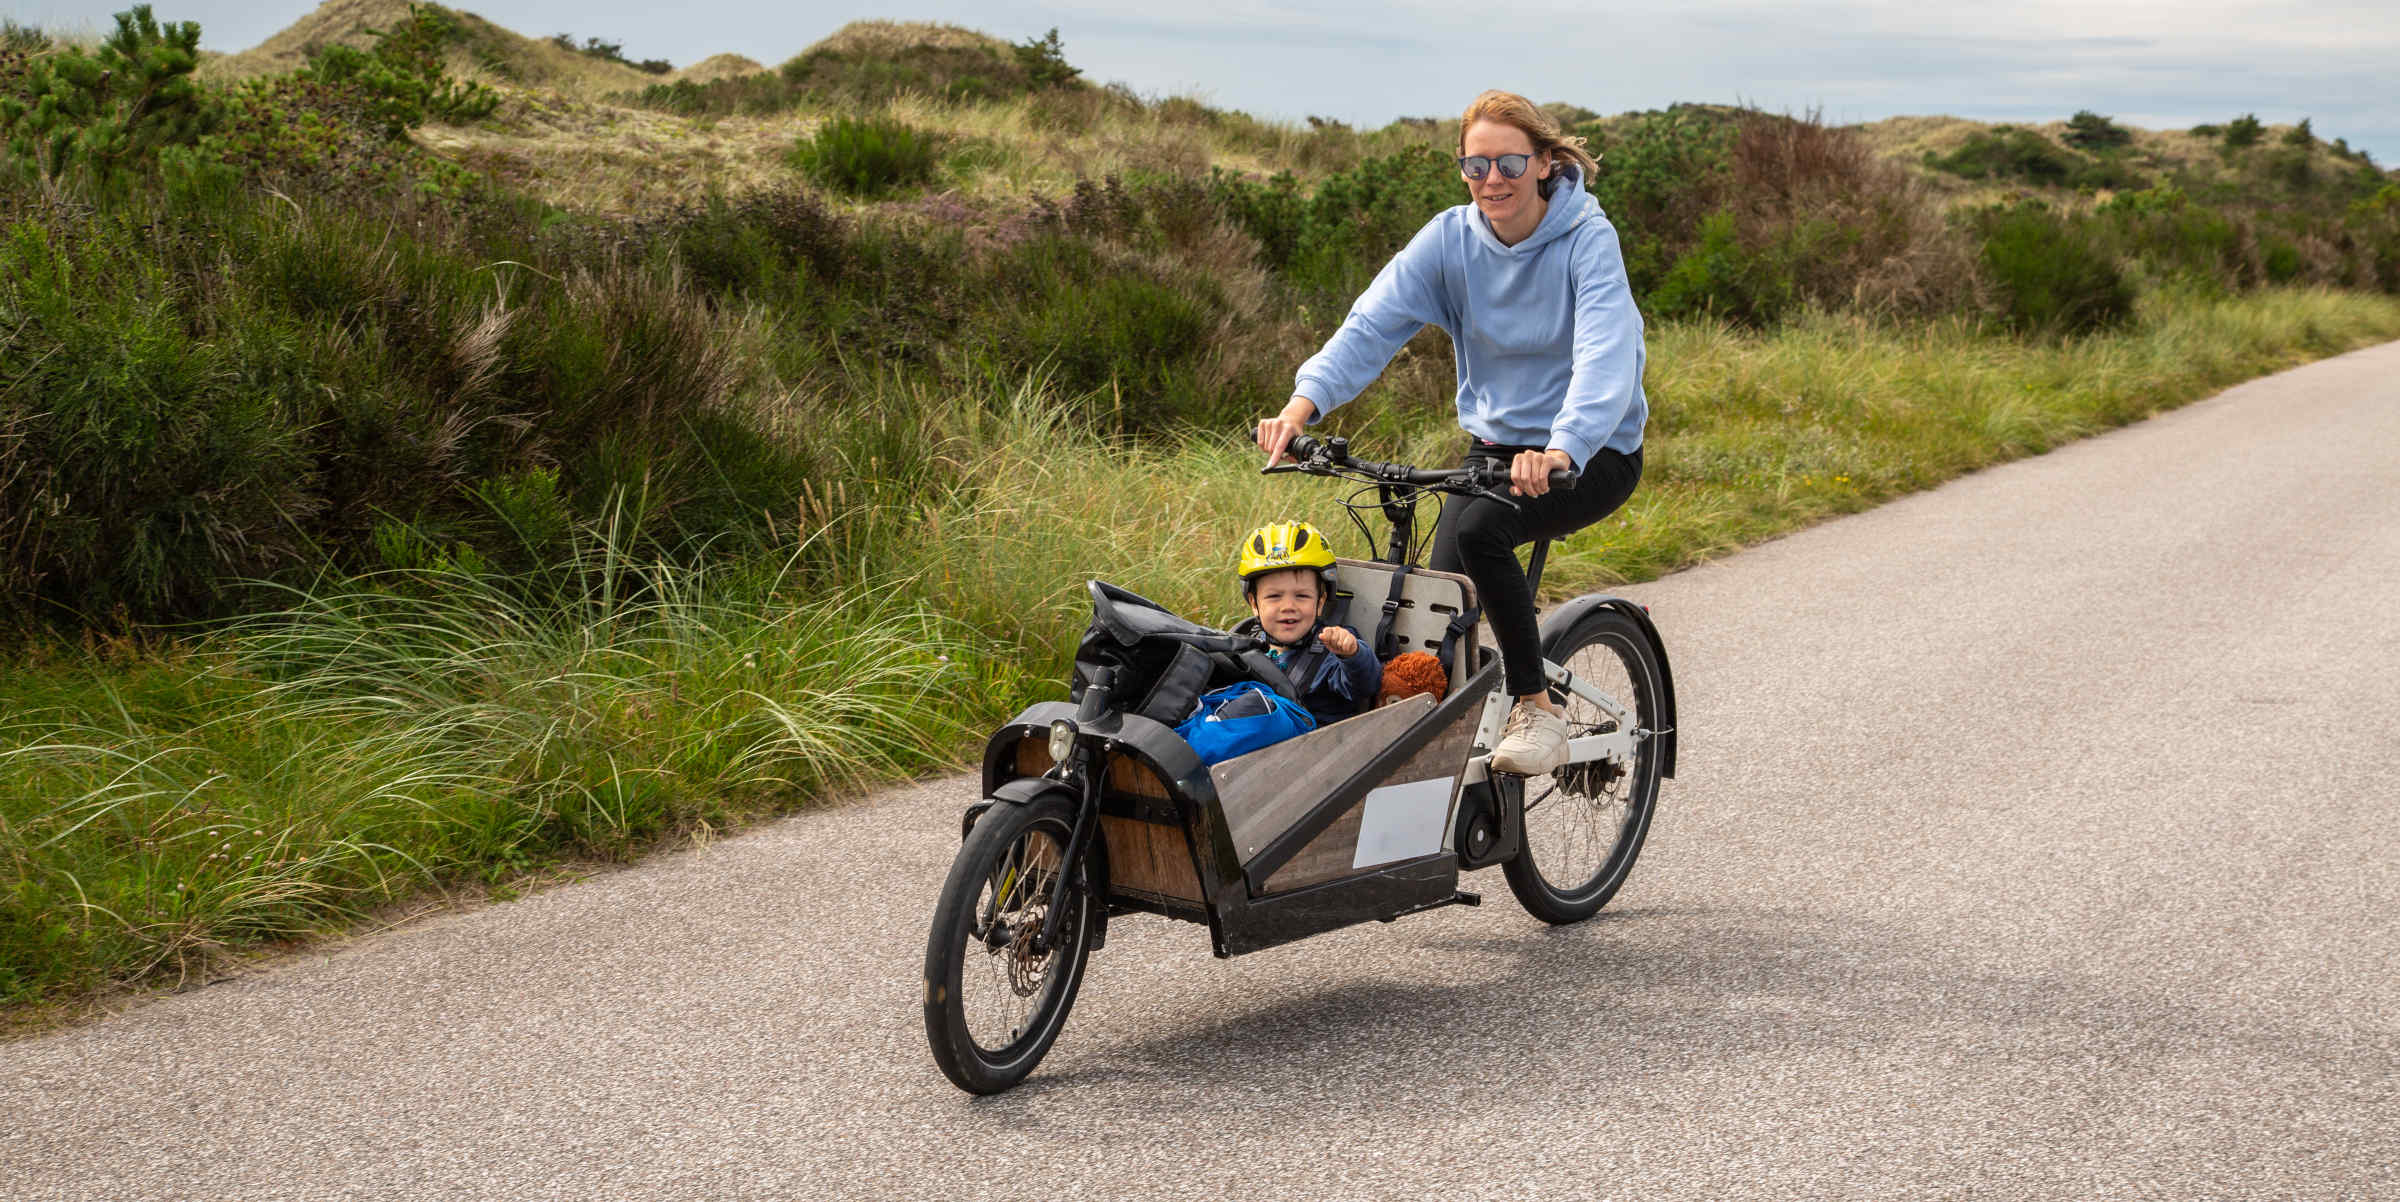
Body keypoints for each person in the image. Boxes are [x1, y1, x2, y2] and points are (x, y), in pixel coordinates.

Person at [1255, 89, 1648, 776]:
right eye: (1476, 166)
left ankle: (1536, 708)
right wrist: (1302, 406)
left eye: (1509, 163)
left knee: (1477, 534)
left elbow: (1606, 355)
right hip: (1496, 450)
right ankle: (1439, 756)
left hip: (1593, 451)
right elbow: (1373, 324)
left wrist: (1562, 447)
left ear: (1546, 163)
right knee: (1436, 611)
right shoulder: (1450, 239)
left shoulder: (1588, 239)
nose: (1492, 179)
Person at [1230, 520, 1381, 727]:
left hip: (1312, 750)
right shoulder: (1248, 641)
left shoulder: (1329, 647)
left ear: (1320, 602)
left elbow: (1364, 686)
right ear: (1255, 604)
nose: (1288, 606)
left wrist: (1352, 653)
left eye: (1301, 596)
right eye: (1274, 596)